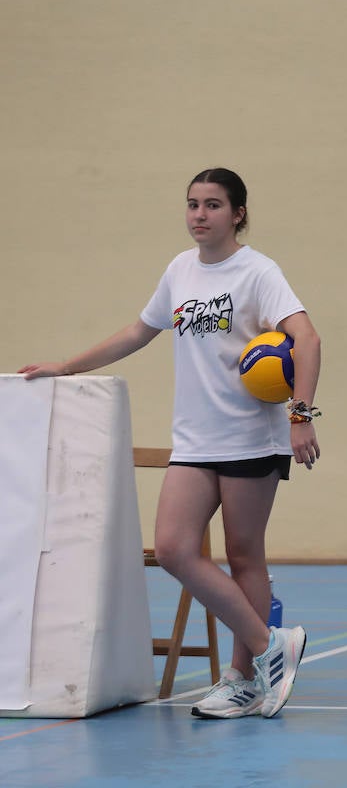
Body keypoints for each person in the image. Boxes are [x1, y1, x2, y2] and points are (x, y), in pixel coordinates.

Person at [20, 168, 316, 720]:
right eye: (192, 205)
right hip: (195, 439)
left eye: (212, 205)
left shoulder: (258, 272)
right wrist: (67, 365)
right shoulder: (180, 270)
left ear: (238, 214)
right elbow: (138, 332)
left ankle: (241, 680)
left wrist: (301, 415)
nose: (199, 215)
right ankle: (271, 644)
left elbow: (307, 337)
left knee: (245, 555)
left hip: (251, 435)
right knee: (176, 548)